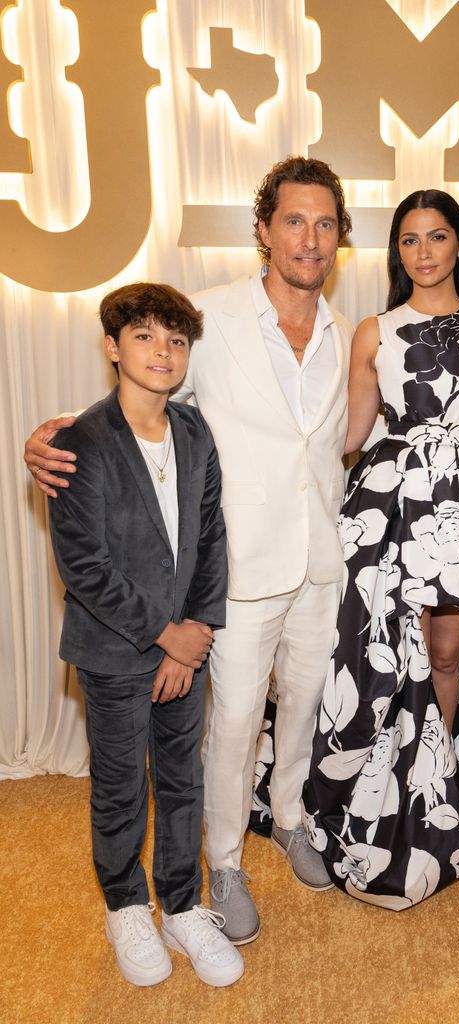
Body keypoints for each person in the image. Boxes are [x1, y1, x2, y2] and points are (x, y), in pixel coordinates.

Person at [25, 157, 354, 943]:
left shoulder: (347, 330)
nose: (308, 237)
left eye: (324, 223)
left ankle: (291, 816)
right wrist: (57, 432)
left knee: (302, 707)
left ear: (340, 238)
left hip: (318, 560)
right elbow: (146, 385)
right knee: (234, 721)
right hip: (236, 566)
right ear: (264, 230)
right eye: (293, 220)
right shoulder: (211, 317)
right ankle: (224, 861)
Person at [302, 190, 459, 909]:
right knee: (388, 656)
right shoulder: (375, 331)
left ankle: (442, 786)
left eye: (435, 237)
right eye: (407, 241)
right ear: (396, 253)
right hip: (389, 510)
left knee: (449, 652)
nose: (422, 253)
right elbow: (351, 434)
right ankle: (378, 788)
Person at [46, 283, 243, 986]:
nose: (162, 351)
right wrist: (165, 635)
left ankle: (183, 904)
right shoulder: (83, 441)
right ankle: (125, 903)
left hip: (186, 643)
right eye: (144, 336)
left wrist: (195, 630)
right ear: (111, 347)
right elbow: (84, 566)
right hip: (116, 649)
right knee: (122, 784)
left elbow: (210, 537)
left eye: (176, 340)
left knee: (182, 777)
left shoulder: (194, 433)